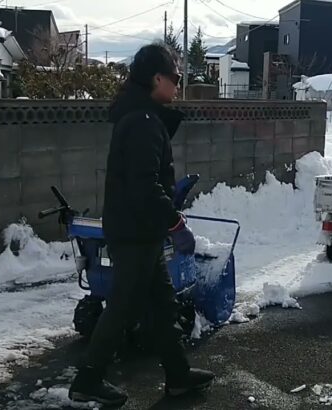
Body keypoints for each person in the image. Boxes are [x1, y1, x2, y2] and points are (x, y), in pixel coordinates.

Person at [67, 43, 214, 406]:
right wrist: (176, 224)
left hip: (140, 231)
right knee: (122, 307)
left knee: (163, 306)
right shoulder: (143, 122)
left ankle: (178, 376)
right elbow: (145, 185)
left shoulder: (141, 117)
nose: (179, 85)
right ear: (156, 78)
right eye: (176, 78)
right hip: (135, 233)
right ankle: (88, 380)